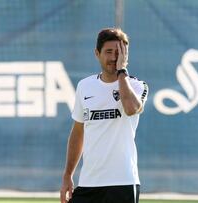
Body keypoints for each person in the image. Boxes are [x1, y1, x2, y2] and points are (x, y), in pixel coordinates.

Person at [60, 28, 148, 203]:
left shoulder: (137, 86)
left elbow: (131, 109)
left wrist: (122, 71)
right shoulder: (84, 86)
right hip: (88, 183)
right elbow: (78, 132)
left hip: (122, 183)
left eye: (119, 52)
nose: (114, 57)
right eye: (109, 52)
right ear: (97, 53)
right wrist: (68, 175)